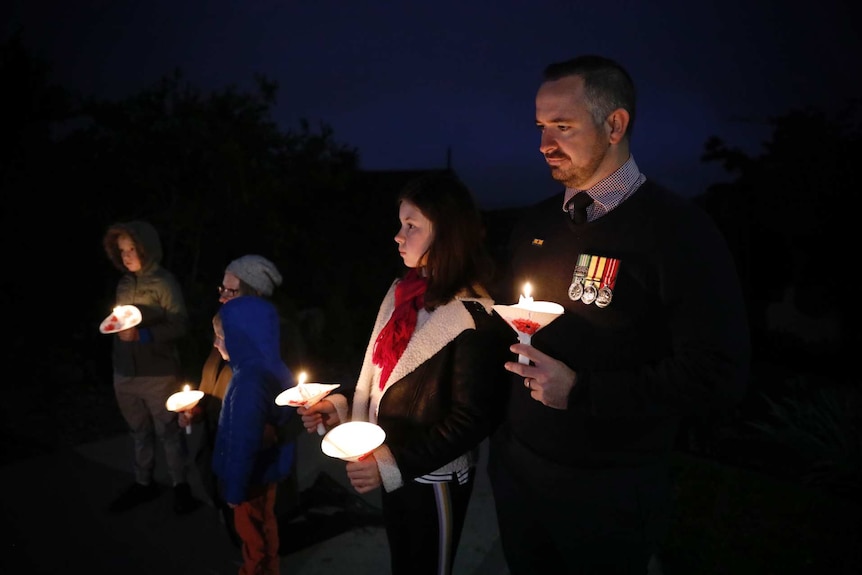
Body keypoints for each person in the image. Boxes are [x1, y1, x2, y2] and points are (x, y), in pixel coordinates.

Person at [487, 55, 751, 574]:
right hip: (518, 471)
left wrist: (582, 391)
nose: (544, 144)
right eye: (541, 127)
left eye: (562, 127)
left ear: (615, 124)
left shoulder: (679, 232)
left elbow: (718, 374)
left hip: (608, 490)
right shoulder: (535, 223)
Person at [298, 172, 509, 575]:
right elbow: (379, 379)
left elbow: (472, 419)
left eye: (412, 226)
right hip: (391, 465)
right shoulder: (402, 293)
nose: (398, 235)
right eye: (401, 224)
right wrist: (338, 409)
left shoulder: (475, 316)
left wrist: (390, 465)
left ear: (447, 233)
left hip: (434, 480)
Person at [178, 254, 288, 543]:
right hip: (221, 441)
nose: (223, 297)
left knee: (258, 530)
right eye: (222, 289)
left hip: (253, 457)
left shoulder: (271, 338)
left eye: (232, 291)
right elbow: (213, 380)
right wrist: (195, 408)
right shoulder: (226, 329)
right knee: (237, 521)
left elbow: (298, 399)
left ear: (255, 293)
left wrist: (274, 429)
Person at [102, 220, 198, 514]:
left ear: (147, 248)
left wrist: (144, 334)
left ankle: (180, 486)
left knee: (168, 431)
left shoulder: (164, 282)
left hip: (158, 373)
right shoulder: (124, 283)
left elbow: (180, 324)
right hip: (125, 372)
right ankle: (144, 483)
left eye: (132, 249)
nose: (127, 255)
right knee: (138, 432)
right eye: (122, 251)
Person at [211, 295, 298, 575]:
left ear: (241, 338)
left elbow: (243, 442)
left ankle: (255, 570)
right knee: (265, 523)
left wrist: (234, 489)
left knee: (251, 533)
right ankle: (270, 567)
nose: (216, 344)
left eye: (221, 337)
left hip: (250, 477)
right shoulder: (271, 367)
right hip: (266, 471)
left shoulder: (248, 382)